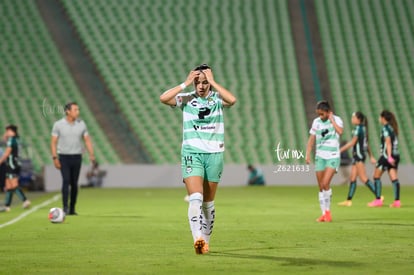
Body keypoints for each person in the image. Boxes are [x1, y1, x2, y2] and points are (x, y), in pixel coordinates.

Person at [160, 64, 236, 254]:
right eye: (197, 82)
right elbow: (163, 98)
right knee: (195, 198)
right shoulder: (186, 99)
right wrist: (185, 83)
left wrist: (213, 82)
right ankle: (198, 239)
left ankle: (206, 241)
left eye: (204, 82)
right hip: (191, 153)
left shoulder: (217, 99)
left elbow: (232, 100)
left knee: (208, 203)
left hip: (214, 155)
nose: (201, 86)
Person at [50, 102, 95, 215]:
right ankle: (65, 207)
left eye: (78, 109)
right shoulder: (58, 124)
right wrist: (55, 157)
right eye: (75, 110)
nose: (78, 112)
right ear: (68, 111)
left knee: (74, 183)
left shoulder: (81, 124)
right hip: (64, 157)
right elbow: (53, 142)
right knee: (66, 181)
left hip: (77, 157)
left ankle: (72, 208)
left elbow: (87, 139)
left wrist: (91, 154)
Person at [305, 100, 343, 222]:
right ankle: (323, 213)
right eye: (318, 114)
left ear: (328, 112)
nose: (320, 117)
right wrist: (307, 153)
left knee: (326, 183)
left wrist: (332, 120)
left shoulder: (337, 120)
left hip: (332, 156)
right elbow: (311, 138)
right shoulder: (316, 122)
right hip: (320, 156)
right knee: (321, 186)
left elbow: (340, 132)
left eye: (322, 114)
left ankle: (328, 212)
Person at [337, 112, 377, 206]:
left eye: (353, 117)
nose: (352, 119)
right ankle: (348, 200)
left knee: (363, 178)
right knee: (353, 178)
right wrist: (371, 156)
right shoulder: (363, 128)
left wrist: (339, 150)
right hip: (359, 155)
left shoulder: (358, 129)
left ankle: (378, 196)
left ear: (358, 119)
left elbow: (352, 143)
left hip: (358, 155)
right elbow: (366, 144)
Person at [368, 110, 401, 208]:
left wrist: (389, 156)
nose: (379, 119)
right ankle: (397, 201)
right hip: (396, 155)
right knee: (394, 177)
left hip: (387, 156)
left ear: (383, 118)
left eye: (380, 117)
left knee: (376, 176)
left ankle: (378, 200)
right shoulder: (392, 128)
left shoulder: (385, 128)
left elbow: (388, 142)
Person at [0, 125, 31, 212]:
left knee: (13, 184)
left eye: (7, 131)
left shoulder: (11, 140)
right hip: (16, 163)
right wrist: (5, 136)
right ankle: (7, 206)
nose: (6, 133)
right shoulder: (17, 139)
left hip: (11, 164)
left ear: (11, 131)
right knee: (8, 185)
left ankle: (25, 200)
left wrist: (0, 161)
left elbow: (7, 153)